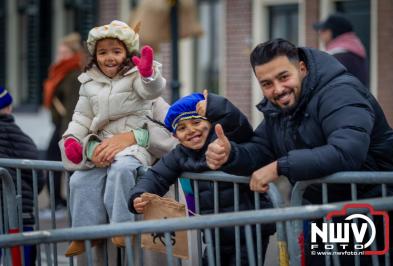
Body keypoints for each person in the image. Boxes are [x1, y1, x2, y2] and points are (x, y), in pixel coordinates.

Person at [205, 39, 393, 265]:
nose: (277, 89)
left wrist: (280, 166)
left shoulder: (340, 92)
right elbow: (260, 149)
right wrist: (230, 154)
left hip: (371, 212)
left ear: (302, 69)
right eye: (267, 84)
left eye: (283, 77)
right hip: (327, 214)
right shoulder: (279, 109)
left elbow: (347, 152)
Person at [59, 20, 175, 257]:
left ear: (128, 54)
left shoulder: (136, 79)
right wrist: (72, 139)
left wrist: (147, 74)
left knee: (122, 170)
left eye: (116, 51)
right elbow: (81, 117)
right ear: (95, 55)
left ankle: (121, 226)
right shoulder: (89, 83)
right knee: (79, 181)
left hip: (134, 149)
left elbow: (152, 92)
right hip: (101, 147)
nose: (109, 57)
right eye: (102, 52)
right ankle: (84, 233)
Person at [129, 91, 275, 266]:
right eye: (181, 128)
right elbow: (157, 175)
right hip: (214, 234)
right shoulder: (180, 154)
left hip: (250, 232)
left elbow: (239, 125)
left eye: (196, 122)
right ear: (175, 136)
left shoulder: (224, 141)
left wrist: (215, 106)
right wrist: (138, 195)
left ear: (211, 123)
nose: (191, 130)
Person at [0, 87, 45, 265]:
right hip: (20, 213)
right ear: (9, 108)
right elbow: (37, 177)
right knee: (21, 257)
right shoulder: (22, 137)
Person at [43, 32, 84, 211]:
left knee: (58, 160)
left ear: (72, 54)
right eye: (59, 53)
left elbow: (73, 105)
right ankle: (58, 200)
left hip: (66, 127)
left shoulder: (74, 74)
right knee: (55, 161)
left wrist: (67, 135)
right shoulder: (60, 72)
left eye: (64, 53)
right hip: (59, 124)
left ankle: (63, 200)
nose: (60, 57)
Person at [313, 13, 369, 87]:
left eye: (324, 30)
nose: (320, 34)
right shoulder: (354, 50)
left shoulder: (338, 57)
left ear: (332, 32)